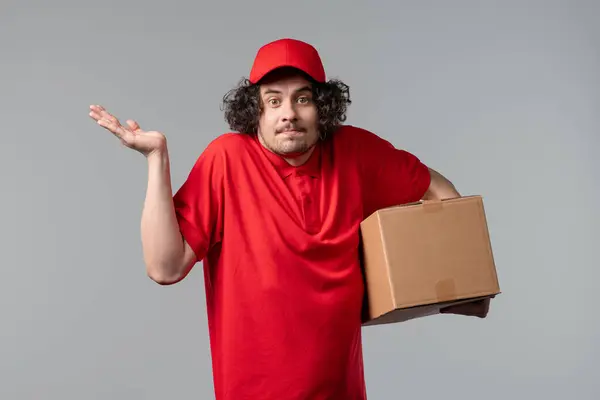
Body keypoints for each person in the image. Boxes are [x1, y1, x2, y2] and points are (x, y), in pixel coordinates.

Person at [89, 38, 490, 400]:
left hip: (341, 390)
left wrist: (453, 284)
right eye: (273, 100)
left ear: (323, 106)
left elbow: (440, 193)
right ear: (255, 110)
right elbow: (165, 266)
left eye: (302, 98)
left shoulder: (356, 152)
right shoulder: (227, 160)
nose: (288, 114)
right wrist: (156, 159)